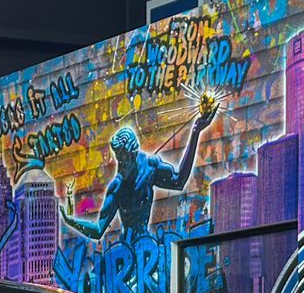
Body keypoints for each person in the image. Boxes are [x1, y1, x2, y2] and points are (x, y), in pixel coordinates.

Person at [61, 90, 219, 242]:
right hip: (125, 252)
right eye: (118, 159)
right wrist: (70, 221)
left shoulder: (150, 166)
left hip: (147, 248)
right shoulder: (117, 186)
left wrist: (196, 131)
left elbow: (178, 181)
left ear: (133, 153)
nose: (121, 164)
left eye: (124, 158)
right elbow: (97, 230)